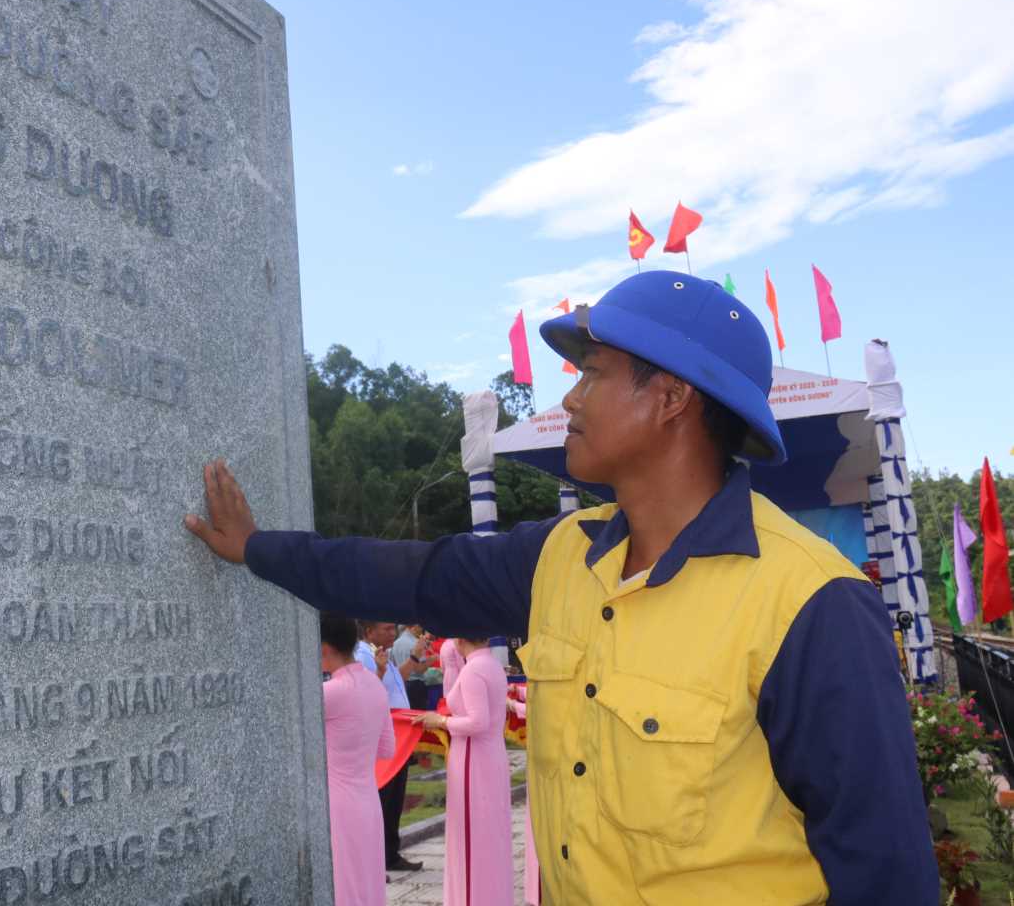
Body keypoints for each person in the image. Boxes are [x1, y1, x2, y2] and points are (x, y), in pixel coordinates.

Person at [185, 270, 937, 905]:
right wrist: (256, 548)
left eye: (593, 373)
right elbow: (402, 574)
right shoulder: (557, 558)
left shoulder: (813, 603)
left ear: (672, 397)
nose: (570, 401)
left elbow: (887, 871)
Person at [415, 636, 513, 906]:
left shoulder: (473, 670)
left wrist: (442, 721)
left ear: (460, 639)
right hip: (489, 754)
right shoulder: (491, 664)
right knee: (489, 834)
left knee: (472, 835)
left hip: (474, 757)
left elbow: (477, 721)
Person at [320, 612, 396, 906]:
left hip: (339, 803)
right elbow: (386, 749)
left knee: (345, 886)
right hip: (367, 797)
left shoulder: (330, 692)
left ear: (325, 648)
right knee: (368, 882)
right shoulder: (375, 684)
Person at [355, 621, 422, 873]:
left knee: (395, 797)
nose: (392, 633)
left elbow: (398, 683)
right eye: (386, 629)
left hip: (399, 732)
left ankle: (390, 853)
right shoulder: (364, 655)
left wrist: (415, 656)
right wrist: (380, 672)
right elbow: (365, 692)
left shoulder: (382, 654)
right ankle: (379, 856)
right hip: (384, 731)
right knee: (385, 797)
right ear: (369, 631)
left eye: (393, 629)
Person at [390, 624, 432, 709]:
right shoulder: (416, 644)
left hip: (402, 683)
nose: (421, 630)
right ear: (414, 627)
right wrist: (431, 660)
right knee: (418, 714)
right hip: (416, 684)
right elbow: (419, 669)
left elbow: (393, 664)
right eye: (420, 627)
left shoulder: (395, 643)